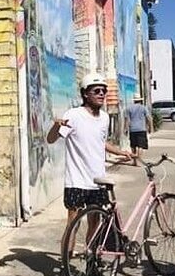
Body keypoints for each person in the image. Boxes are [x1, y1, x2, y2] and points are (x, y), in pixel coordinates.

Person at [47, 72, 134, 262]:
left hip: (98, 181)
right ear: (85, 94)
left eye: (104, 90)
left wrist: (121, 152)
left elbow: (100, 142)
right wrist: (55, 126)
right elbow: (51, 139)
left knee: (94, 225)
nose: (101, 94)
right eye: (97, 91)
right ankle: (65, 266)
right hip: (77, 181)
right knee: (73, 224)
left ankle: (91, 265)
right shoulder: (73, 115)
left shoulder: (104, 118)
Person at [125, 96, 153, 166]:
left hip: (132, 129)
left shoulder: (129, 108)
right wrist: (150, 127)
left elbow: (127, 120)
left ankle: (135, 162)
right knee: (141, 146)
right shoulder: (143, 108)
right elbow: (148, 118)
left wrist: (126, 129)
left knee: (133, 146)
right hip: (141, 129)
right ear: (140, 101)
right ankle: (139, 160)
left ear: (134, 101)